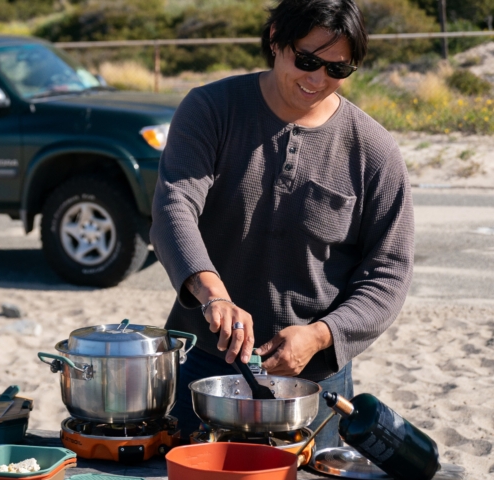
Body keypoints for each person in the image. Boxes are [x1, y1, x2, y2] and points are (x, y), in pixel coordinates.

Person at [150, 0, 414, 451]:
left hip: (315, 384)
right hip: (203, 367)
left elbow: (387, 275)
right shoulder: (211, 108)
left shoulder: (375, 151)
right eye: (307, 60)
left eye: (337, 69)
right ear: (275, 39)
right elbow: (174, 207)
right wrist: (214, 294)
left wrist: (319, 336)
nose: (317, 80)